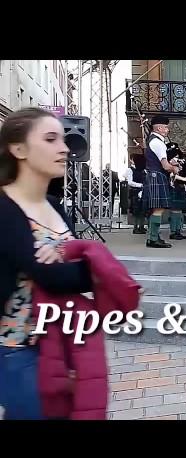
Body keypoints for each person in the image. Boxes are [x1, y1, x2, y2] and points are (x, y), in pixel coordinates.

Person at [0, 107, 94, 418]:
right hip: (15, 348)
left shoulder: (53, 205)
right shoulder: (5, 207)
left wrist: (74, 261)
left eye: (63, 139)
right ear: (18, 149)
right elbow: (50, 275)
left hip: (58, 345)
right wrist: (93, 269)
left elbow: (78, 262)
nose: (64, 148)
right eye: (50, 139)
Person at [143, 115, 178, 248]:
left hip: (154, 175)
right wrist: (175, 169)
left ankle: (154, 237)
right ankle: (152, 239)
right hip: (157, 175)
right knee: (158, 208)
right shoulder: (158, 142)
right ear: (159, 128)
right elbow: (165, 166)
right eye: (165, 127)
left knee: (156, 209)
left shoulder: (153, 141)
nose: (167, 130)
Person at [125, 153, 147, 234]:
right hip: (135, 191)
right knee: (136, 211)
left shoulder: (143, 170)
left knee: (143, 210)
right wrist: (140, 185)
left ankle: (141, 226)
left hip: (143, 191)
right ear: (131, 160)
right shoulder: (130, 170)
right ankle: (135, 227)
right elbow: (130, 182)